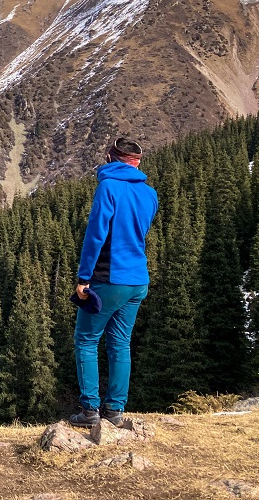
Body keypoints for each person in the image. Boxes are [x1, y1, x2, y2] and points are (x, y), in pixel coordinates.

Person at [70, 137, 158, 428]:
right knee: (120, 343)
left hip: (108, 278)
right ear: (137, 162)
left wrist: (84, 279)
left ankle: (89, 411)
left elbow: (96, 235)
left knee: (86, 339)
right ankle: (115, 411)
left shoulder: (107, 187)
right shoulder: (149, 194)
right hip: (137, 280)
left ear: (111, 156)